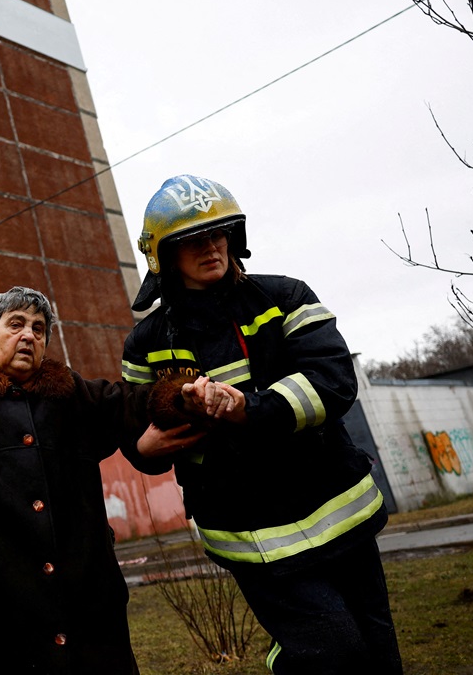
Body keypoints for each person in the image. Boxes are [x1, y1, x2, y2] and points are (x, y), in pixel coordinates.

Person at [122, 174, 402, 674]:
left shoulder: (286, 296)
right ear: (162, 256)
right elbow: (137, 426)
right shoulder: (145, 344)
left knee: (377, 655)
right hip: (249, 533)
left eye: (219, 232)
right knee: (333, 654)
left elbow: (333, 380)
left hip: (341, 510)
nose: (211, 246)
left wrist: (248, 409)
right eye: (192, 239)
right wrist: (145, 447)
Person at [0, 286, 219, 674]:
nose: (29, 335)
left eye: (38, 328)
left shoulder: (71, 392)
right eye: (15, 324)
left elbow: (134, 402)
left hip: (84, 606)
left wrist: (183, 398)